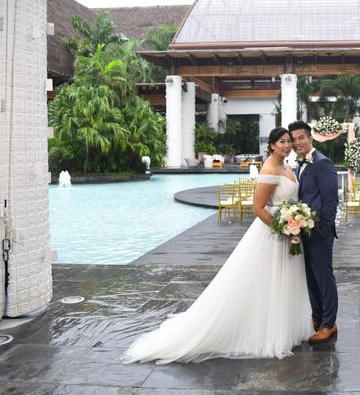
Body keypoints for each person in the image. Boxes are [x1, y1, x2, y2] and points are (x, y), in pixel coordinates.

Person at [122, 127, 313, 363]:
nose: (286, 145)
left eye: (288, 141)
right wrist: (282, 228)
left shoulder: (288, 167)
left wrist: (294, 223)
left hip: (289, 232)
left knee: (284, 281)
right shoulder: (269, 168)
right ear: (272, 145)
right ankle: (267, 332)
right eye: (281, 142)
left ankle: (286, 329)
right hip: (274, 234)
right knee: (268, 281)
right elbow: (258, 208)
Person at [288, 121, 339, 343]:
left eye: (301, 138)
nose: (297, 142)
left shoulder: (322, 163)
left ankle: (329, 323)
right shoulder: (301, 165)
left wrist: (323, 230)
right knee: (311, 278)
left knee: (324, 278)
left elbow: (330, 200)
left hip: (319, 232)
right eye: (293, 139)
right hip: (304, 231)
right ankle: (317, 317)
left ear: (311, 138)